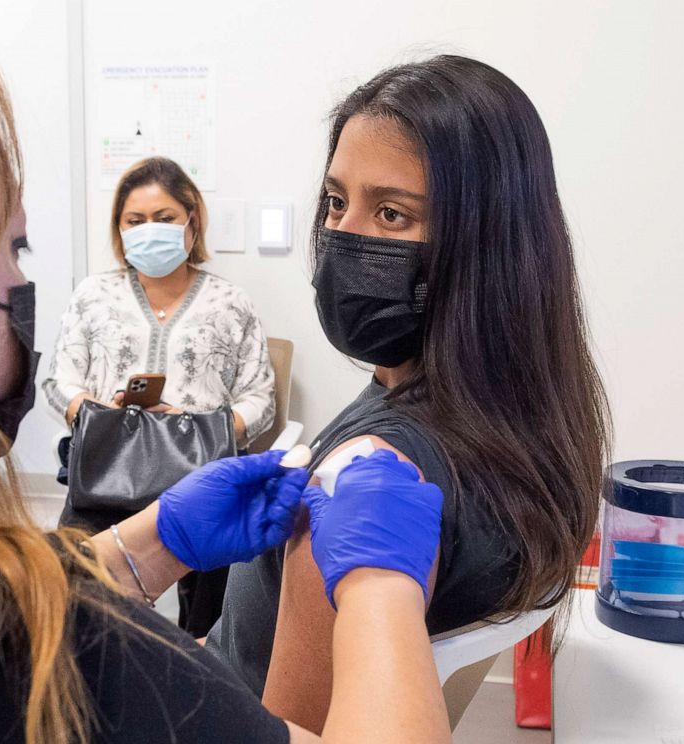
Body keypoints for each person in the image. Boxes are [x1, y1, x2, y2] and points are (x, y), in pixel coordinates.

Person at [0, 3, 453, 742]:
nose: (21, 286)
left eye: (393, 214)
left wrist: (147, 545)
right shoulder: (31, 661)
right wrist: (380, 591)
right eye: (14, 248)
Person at [205, 55, 612, 733]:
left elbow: (284, 730)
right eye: (337, 202)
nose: (343, 236)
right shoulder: (534, 422)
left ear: (486, 245)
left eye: (392, 214)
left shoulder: (367, 476)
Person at [43, 156, 276, 635]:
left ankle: (201, 667)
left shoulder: (230, 302)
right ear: (120, 230)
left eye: (164, 218)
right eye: (136, 221)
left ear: (192, 222)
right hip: (107, 471)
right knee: (75, 595)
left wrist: (192, 427)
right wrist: (97, 413)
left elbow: (260, 397)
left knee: (216, 604)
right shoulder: (93, 295)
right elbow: (57, 381)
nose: (150, 230)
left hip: (200, 471)